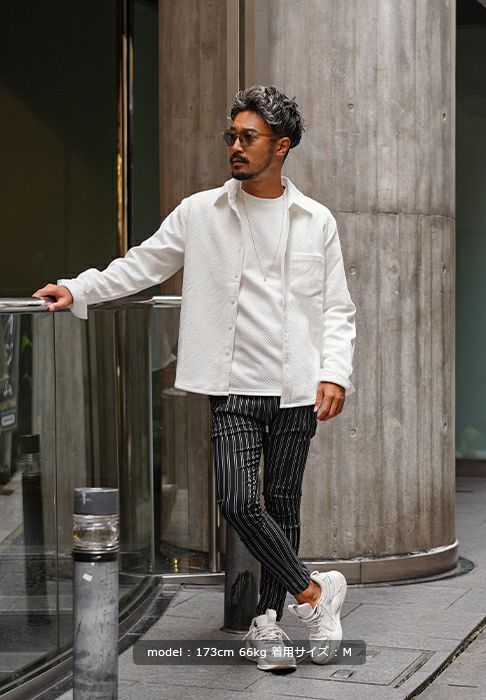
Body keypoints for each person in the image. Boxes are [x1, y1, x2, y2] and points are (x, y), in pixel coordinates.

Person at [33, 85, 356, 672]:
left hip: (296, 389)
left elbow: (337, 307)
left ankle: (266, 623)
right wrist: (79, 288)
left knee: (283, 506)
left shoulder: (316, 220)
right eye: (232, 135)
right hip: (232, 388)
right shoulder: (201, 212)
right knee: (239, 502)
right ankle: (314, 593)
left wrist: (334, 373)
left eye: (249, 137)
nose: (235, 146)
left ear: (281, 146)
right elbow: (143, 264)